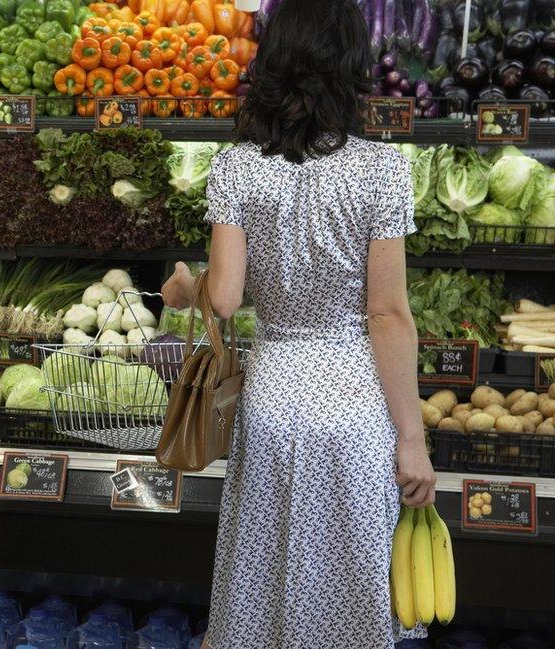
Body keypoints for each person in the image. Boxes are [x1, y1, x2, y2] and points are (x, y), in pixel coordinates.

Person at [160, 0, 436, 646]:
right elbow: (388, 314)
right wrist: (412, 437)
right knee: (352, 579)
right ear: (349, 66)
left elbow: (224, 298)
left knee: (262, 576)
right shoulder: (382, 169)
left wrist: (183, 289)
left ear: (273, 63)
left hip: (274, 395)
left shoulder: (236, 167)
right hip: (352, 400)